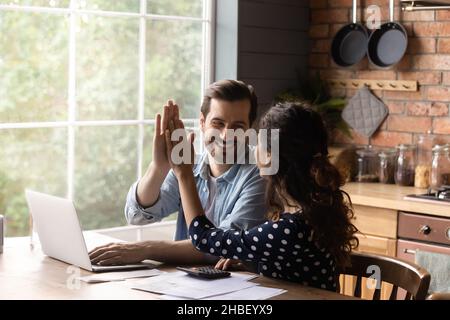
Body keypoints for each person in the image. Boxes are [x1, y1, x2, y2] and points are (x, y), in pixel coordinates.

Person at [165, 102, 359, 291]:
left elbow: (203, 238)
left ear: (270, 157)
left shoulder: (291, 228)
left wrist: (184, 174)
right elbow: (293, 269)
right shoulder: (309, 213)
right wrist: (253, 262)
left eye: (257, 142)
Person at [89, 80, 267, 265]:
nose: (225, 136)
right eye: (218, 123)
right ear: (202, 123)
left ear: (250, 130)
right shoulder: (190, 165)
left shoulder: (260, 174)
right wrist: (159, 167)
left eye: (238, 127)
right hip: (182, 281)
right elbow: (136, 216)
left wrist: (145, 249)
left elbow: (222, 247)